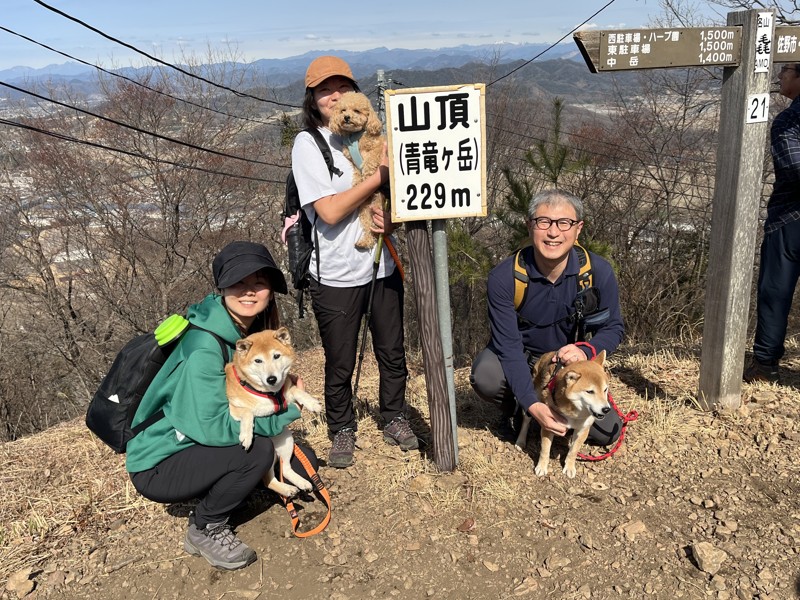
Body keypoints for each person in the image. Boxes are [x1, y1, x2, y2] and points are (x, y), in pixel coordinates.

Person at [126, 241, 317, 571]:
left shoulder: (242, 332)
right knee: (256, 452)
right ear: (222, 287)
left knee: (303, 464)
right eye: (239, 282)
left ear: (271, 290)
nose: (249, 291)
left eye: (259, 282)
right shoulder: (205, 345)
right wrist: (287, 408)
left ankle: (221, 487)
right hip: (158, 462)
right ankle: (205, 526)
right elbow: (216, 426)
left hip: (189, 444)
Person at [291, 55, 418, 469]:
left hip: (381, 265)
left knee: (391, 351)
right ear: (312, 99)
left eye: (342, 88)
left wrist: (390, 218)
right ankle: (342, 427)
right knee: (340, 358)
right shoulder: (309, 144)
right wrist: (379, 177)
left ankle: (394, 416)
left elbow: (398, 199)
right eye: (325, 91)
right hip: (335, 273)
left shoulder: (375, 138)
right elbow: (327, 212)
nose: (335, 97)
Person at [470, 189, 625, 446]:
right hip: (521, 353)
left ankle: (555, 409)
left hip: (568, 363)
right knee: (486, 376)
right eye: (544, 222)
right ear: (529, 226)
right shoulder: (505, 277)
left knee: (607, 433)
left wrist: (586, 350)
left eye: (565, 223)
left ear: (578, 229)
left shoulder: (597, 271)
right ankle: (518, 410)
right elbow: (508, 347)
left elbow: (614, 328)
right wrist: (532, 403)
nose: (554, 233)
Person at [744, 63, 800, 384]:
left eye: (786, 69)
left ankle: (765, 365)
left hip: (788, 219)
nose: (779, 74)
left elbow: (793, 168)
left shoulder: (789, 120)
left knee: (774, 292)